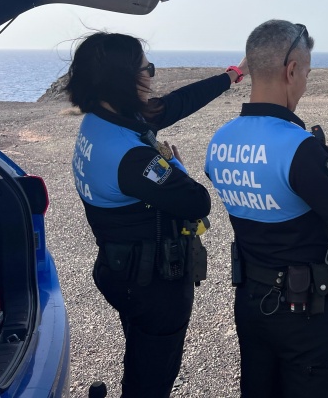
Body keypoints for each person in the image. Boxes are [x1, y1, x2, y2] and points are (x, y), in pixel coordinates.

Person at [204, 20, 328, 398]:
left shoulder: (219, 141)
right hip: (304, 312)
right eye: (306, 73)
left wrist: (320, 165)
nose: (304, 82)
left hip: (251, 303)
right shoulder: (299, 148)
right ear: (291, 70)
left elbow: (269, 180)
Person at [66, 31, 247, 398]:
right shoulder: (134, 158)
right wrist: (175, 164)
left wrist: (233, 75)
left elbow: (175, 104)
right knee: (152, 378)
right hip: (152, 285)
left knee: (140, 353)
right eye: (145, 69)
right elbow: (197, 202)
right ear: (122, 79)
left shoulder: (103, 119)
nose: (151, 76)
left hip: (120, 269)